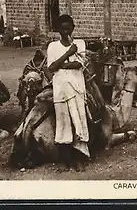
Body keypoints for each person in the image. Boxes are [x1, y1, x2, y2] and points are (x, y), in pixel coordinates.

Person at [47, 14, 90, 172]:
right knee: (64, 123)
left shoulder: (80, 43)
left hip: (77, 87)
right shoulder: (53, 46)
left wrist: (61, 64)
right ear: (58, 30)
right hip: (60, 89)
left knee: (78, 121)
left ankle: (79, 157)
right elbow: (50, 68)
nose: (66, 32)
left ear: (73, 28)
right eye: (63, 29)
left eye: (69, 28)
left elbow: (79, 64)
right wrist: (68, 53)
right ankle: (66, 159)